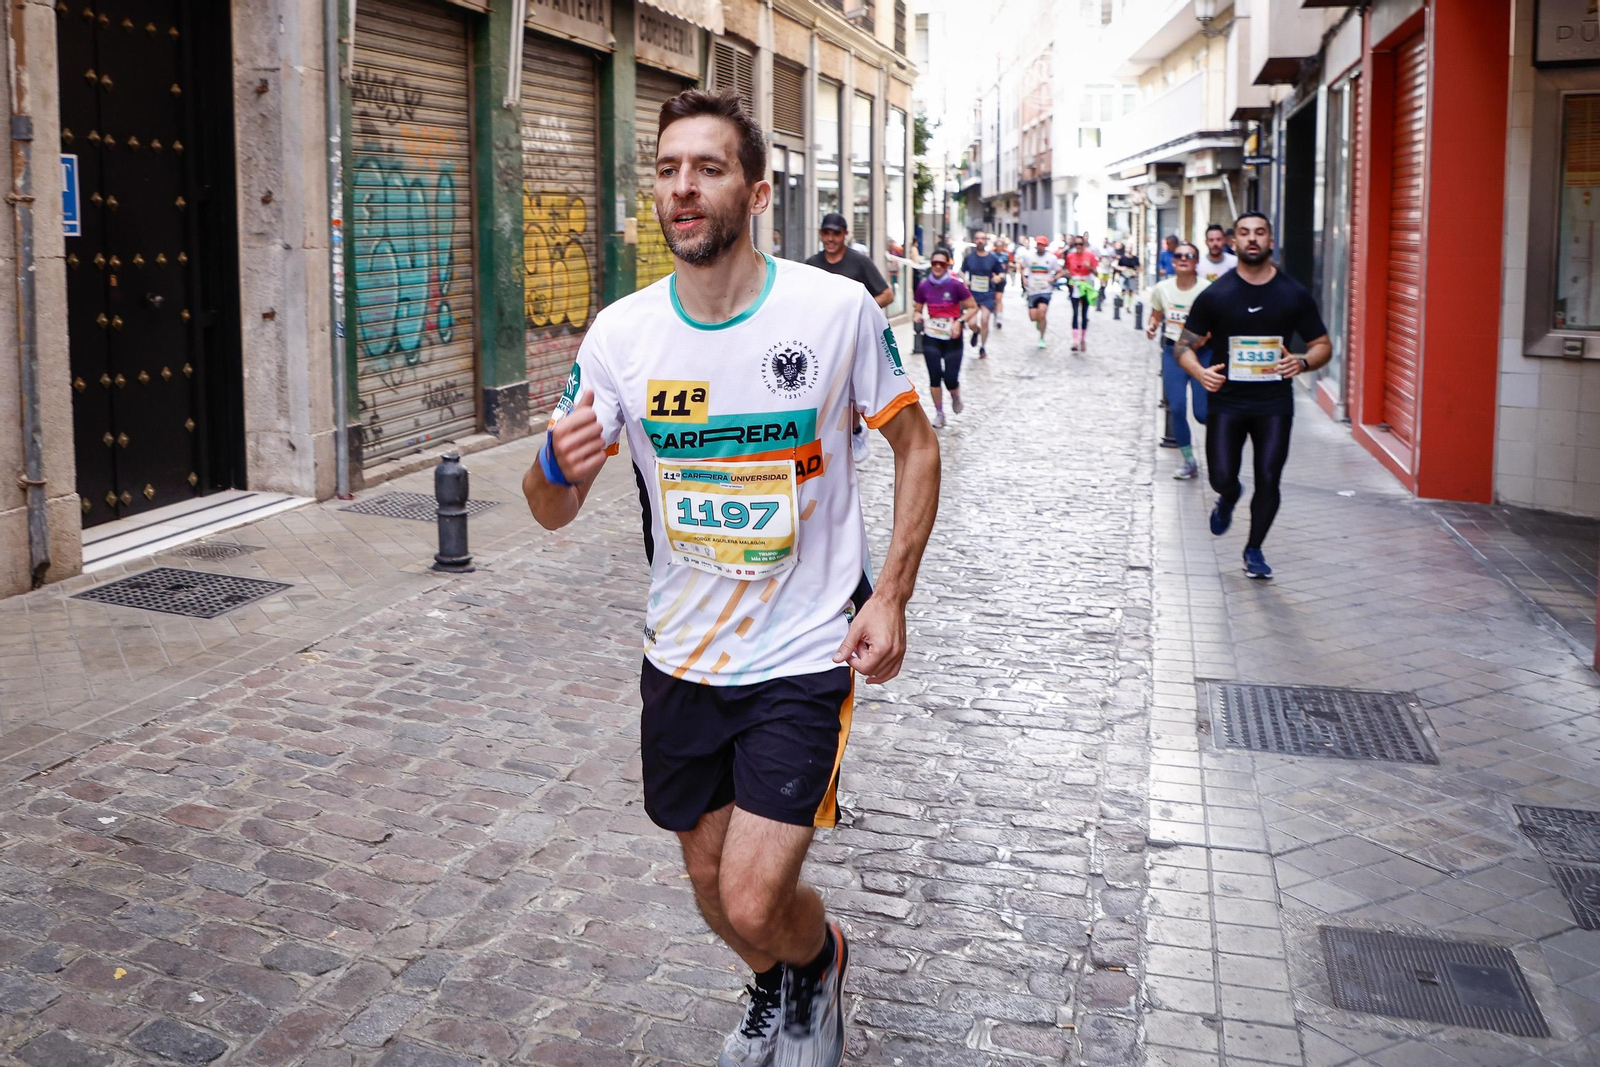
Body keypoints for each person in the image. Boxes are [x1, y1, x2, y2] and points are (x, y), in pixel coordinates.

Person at [525, 88, 941, 1067]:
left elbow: (917, 448)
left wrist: (890, 594)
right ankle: (777, 981)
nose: (682, 186)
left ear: (755, 194)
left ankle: (818, 962)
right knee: (711, 884)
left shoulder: (833, 311)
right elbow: (549, 507)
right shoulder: (621, 335)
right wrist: (551, 465)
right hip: (679, 655)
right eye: (668, 168)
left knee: (754, 895)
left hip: (802, 652)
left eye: (707, 168)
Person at [1174, 212, 1331, 579]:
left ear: (1271, 241)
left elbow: (1322, 344)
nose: (1252, 239)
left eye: (1260, 233)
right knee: (1221, 476)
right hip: (1227, 401)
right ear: (1235, 243)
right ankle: (1229, 496)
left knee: (1269, 477)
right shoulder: (1216, 295)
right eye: (1244, 233)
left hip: (1274, 403)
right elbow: (1183, 346)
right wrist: (1200, 372)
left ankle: (1254, 548)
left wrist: (1303, 363)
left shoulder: (1293, 294)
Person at [807, 212, 894, 465]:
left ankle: (855, 431)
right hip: (822, 339)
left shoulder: (859, 263)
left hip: (853, 336)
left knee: (850, 388)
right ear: (821, 235)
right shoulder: (811, 264)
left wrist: (859, 312)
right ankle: (827, 435)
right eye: (826, 233)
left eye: (836, 233)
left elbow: (887, 294)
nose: (830, 239)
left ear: (845, 235)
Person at [1146, 241, 1210, 480]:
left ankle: (1220, 447)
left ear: (1196, 262)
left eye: (1189, 256)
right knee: (1177, 407)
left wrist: (1205, 337)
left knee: (1202, 413)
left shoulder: (1207, 289)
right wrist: (1152, 326)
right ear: (1173, 262)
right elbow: (1156, 314)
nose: (1184, 259)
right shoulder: (1162, 288)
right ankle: (1189, 460)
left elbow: (1217, 322)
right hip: (1173, 352)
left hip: (1202, 353)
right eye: (1179, 256)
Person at [915, 247, 979, 427]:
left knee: (950, 378)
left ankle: (955, 394)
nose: (937, 267)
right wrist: (917, 316)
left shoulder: (956, 285)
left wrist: (960, 321)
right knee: (934, 375)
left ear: (947, 265)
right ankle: (939, 413)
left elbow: (973, 307)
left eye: (941, 264)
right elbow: (917, 309)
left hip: (952, 336)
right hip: (932, 336)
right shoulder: (924, 286)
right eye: (934, 263)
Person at [959, 232, 1004, 358]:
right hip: (973, 295)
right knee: (971, 323)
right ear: (974, 241)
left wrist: (999, 277)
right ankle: (976, 331)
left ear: (986, 241)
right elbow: (961, 271)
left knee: (985, 319)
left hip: (988, 294)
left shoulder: (992, 258)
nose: (980, 241)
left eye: (982, 239)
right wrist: (965, 280)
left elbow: (1002, 272)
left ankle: (983, 347)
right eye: (978, 239)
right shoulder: (969, 258)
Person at [1016, 233, 1064, 349]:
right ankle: (1039, 321)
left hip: (1045, 290)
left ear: (1046, 246)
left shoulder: (1051, 258)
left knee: (1042, 313)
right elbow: (1021, 267)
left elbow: (1060, 272)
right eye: (1038, 245)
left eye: (1042, 245)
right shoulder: (1029, 256)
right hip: (1032, 290)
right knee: (1033, 317)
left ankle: (1042, 337)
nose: (1040, 247)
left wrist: (1053, 279)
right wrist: (1023, 279)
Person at [1063, 235, 1098, 352]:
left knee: (1084, 314)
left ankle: (1082, 339)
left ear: (1084, 244)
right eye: (1076, 244)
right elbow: (1066, 269)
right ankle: (1075, 340)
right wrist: (1068, 274)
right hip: (1075, 285)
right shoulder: (1070, 255)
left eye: (1080, 244)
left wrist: (1090, 267)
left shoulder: (1090, 255)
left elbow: (1096, 273)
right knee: (1074, 313)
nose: (1078, 246)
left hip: (1086, 286)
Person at [991, 237, 1010, 326]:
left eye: (1001, 246)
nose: (999, 247)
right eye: (997, 246)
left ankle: (999, 317)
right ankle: (995, 311)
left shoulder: (1006, 255)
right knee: (994, 298)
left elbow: (1007, 266)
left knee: (999, 297)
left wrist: (1004, 274)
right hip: (993, 279)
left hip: (1002, 279)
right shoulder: (991, 255)